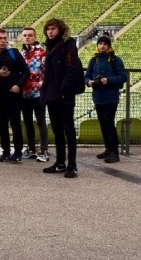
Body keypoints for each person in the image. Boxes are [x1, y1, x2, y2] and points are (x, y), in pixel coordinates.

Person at [40, 18, 83, 179]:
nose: (50, 32)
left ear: (60, 30)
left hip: (64, 94)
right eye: (48, 29)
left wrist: (64, 89)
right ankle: (59, 162)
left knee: (68, 130)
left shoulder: (69, 46)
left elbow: (71, 69)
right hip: (52, 94)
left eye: (53, 29)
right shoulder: (50, 47)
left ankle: (72, 165)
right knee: (57, 130)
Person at [85, 35, 127, 164]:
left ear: (109, 46)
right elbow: (86, 76)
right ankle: (108, 149)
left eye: (104, 44)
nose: (102, 46)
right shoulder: (94, 60)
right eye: (100, 44)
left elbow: (122, 77)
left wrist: (108, 80)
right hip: (98, 97)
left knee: (109, 123)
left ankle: (115, 152)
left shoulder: (115, 60)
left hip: (110, 97)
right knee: (103, 124)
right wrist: (89, 82)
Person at [0, 28, 29, 163]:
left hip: (14, 94)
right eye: (0, 38)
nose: (3, 41)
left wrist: (18, 85)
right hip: (0, 94)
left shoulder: (14, 53)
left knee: (15, 123)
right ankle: (5, 151)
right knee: (2, 123)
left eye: (4, 38)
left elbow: (26, 72)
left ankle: (18, 152)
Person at [19, 27, 49, 163]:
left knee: (41, 122)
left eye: (30, 35)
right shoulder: (20, 54)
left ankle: (44, 150)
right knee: (27, 122)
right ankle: (31, 148)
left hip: (38, 94)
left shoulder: (42, 53)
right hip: (24, 94)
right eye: (25, 35)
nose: (27, 37)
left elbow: (46, 72)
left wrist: (41, 86)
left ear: (35, 37)